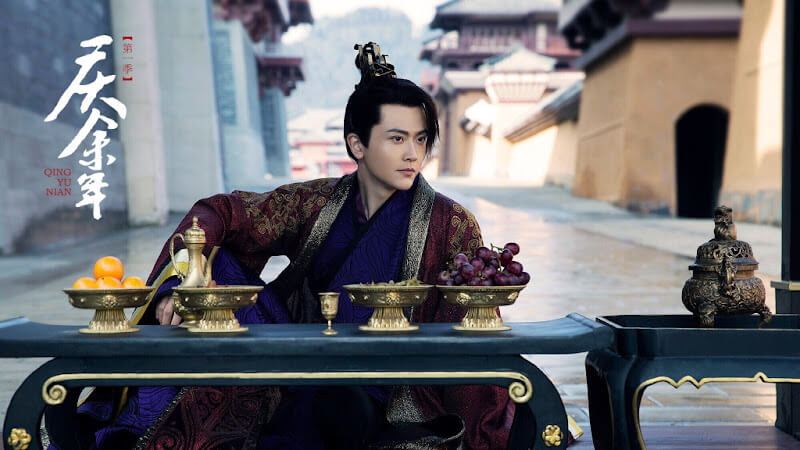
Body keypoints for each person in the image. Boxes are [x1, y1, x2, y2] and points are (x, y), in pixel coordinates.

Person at [64, 42, 517, 450]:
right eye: (397, 138)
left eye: (420, 139)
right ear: (357, 145)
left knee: (342, 407)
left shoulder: (451, 222)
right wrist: (185, 279)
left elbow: (469, 328)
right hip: (301, 360)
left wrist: (483, 432)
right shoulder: (317, 202)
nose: (413, 154)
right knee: (219, 273)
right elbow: (224, 212)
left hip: (391, 385)